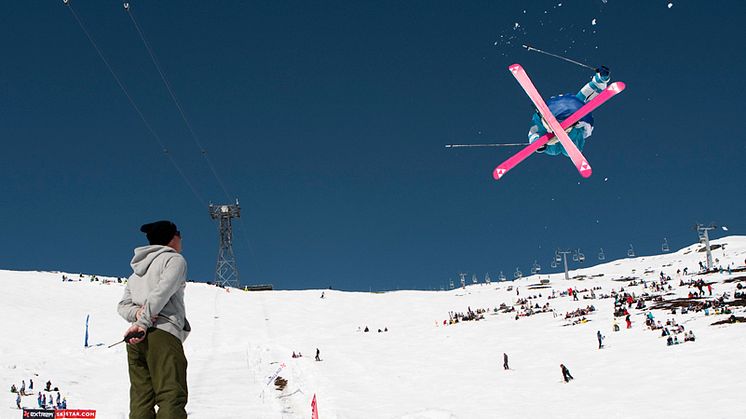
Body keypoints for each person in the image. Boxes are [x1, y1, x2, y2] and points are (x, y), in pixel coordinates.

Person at [117, 220, 190, 418]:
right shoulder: (174, 260)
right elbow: (162, 292)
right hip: (162, 332)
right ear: (172, 237)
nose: (181, 238)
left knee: (141, 398)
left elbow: (122, 306)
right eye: (179, 234)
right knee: (170, 394)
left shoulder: (135, 274)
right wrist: (144, 321)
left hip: (135, 339)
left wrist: (137, 316)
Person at [528, 66, 611, 155]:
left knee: (558, 150)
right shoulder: (576, 103)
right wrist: (602, 78)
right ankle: (570, 131)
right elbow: (590, 90)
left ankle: (568, 131)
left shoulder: (575, 103)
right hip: (569, 117)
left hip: (557, 114)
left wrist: (536, 142)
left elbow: (534, 131)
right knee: (562, 150)